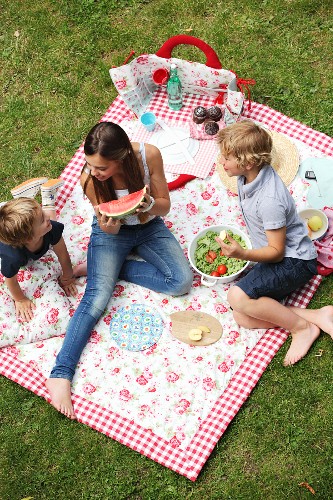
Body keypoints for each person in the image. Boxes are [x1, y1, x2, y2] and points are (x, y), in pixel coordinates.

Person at [46, 121, 193, 418]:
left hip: (149, 227)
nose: (94, 172)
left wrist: (149, 205)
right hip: (112, 235)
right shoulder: (88, 180)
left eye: (101, 168)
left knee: (181, 282)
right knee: (96, 298)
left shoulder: (148, 155)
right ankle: (60, 374)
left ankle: (114, 269)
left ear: (123, 155)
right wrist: (108, 228)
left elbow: (164, 206)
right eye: (90, 165)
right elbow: (107, 225)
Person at [215, 120, 333, 367]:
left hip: (295, 262)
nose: (221, 161)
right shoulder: (248, 177)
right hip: (280, 255)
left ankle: (302, 328)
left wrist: (243, 253)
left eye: (226, 157)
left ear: (247, 163)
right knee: (243, 316)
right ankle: (318, 316)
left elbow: (277, 253)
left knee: (236, 297)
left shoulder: (269, 200)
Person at [0, 197, 85, 322]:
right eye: (41, 220)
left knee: (50, 223)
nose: (47, 217)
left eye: (42, 211)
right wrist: (20, 299)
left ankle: (47, 198)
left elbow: (62, 253)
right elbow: (10, 280)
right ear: (29, 238)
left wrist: (68, 277)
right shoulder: (13, 256)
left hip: (28, 233)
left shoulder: (51, 229)